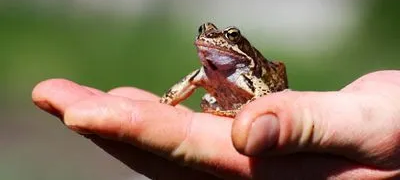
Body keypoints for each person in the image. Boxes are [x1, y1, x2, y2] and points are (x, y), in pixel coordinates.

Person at [32, 70, 400, 179]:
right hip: (222, 108)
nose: (213, 41)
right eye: (206, 35)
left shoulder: (245, 70)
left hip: (253, 109)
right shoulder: (205, 72)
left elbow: (267, 100)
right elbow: (186, 88)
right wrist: (164, 108)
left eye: (226, 38)